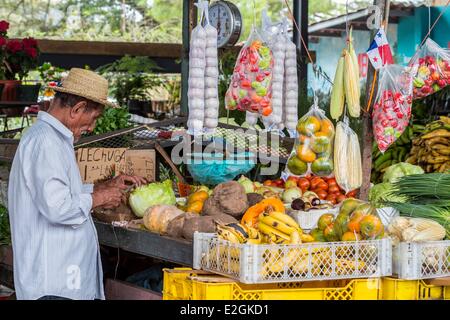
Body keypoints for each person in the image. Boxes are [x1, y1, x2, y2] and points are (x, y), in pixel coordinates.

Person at [8, 68, 146, 300]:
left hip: (59, 281)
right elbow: (58, 207)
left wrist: (101, 188)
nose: (91, 127)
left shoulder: (52, 138)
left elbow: (57, 192)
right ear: (78, 109)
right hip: (53, 283)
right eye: (93, 119)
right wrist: (99, 198)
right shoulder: (46, 143)